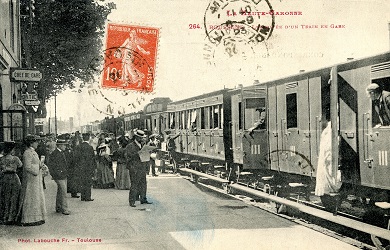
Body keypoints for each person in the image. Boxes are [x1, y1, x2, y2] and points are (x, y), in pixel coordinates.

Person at [18, 135, 47, 226]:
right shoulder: (28, 153)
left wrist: (41, 166)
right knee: (31, 198)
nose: (37, 143)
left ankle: (36, 217)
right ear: (31, 143)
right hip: (31, 179)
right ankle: (29, 219)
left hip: (35, 179)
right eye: (36, 142)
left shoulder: (32, 152)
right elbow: (27, 166)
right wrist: (37, 167)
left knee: (35, 198)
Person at [125, 130, 152, 207]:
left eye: (142, 138)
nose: (142, 139)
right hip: (134, 168)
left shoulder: (143, 145)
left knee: (143, 184)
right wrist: (138, 153)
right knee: (134, 184)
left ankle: (143, 199)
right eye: (140, 138)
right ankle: (132, 201)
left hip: (142, 167)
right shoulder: (130, 146)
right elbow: (128, 157)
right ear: (136, 137)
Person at [0, 141, 23, 224]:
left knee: (5, 197)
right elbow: (20, 166)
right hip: (13, 177)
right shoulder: (15, 158)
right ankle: (12, 217)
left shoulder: (2, 158)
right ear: (12, 149)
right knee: (14, 197)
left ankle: (4, 217)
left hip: (4, 178)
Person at [47, 139, 70, 215]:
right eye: (64, 145)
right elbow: (52, 165)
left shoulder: (58, 153)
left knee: (60, 191)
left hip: (62, 175)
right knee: (63, 191)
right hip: (59, 176)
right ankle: (65, 209)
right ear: (60, 145)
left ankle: (58, 207)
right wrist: (57, 174)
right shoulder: (56, 154)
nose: (65, 146)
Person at [74, 133, 96, 201]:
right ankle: (87, 197)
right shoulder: (90, 147)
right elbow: (92, 158)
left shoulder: (78, 147)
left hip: (80, 167)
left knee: (82, 182)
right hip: (88, 167)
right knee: (88, 182)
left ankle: (83, 196)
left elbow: (76, 157)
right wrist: (94, 167)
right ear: (89, 138)